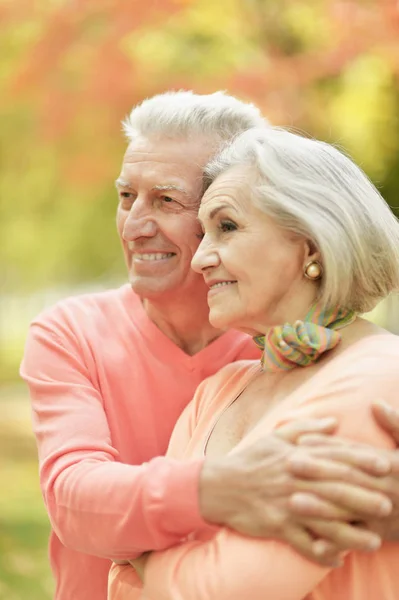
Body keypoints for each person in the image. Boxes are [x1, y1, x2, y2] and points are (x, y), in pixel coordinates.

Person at [20, 92, 399, 600]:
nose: (134, 226)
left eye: (168, 200)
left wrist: (140, 551)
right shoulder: (78, 334)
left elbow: (220, 586)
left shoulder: (331, 364)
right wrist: (216, 489)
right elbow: (73, 501)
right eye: (126, 196)